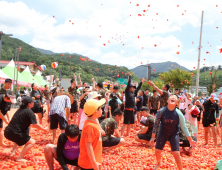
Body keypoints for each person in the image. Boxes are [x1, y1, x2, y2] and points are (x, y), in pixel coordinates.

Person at [149, 95, 196, 170]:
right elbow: (156, 124)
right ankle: (158, 163)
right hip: (162, 132)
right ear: (167, 101)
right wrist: (152, 137)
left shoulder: (179, 113)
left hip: (173, 134)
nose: (173, 98)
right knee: (157, 150)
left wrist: (190, 139)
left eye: (175, 98)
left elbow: (184, 127)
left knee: (176, 153)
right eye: (171, 97)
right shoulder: (161, 111)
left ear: (177, 103)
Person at [4, 96, 47, 162]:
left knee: (18, 138)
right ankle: (20, 158)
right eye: (32, 102)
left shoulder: (20, 109)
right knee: (32, 141)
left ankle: (12, 153)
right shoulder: (29, 112)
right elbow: (35, 125)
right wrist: (44, 129)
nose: (33, 103)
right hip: (14, 132)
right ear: (29, 104)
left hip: (7, 132)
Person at [78, 98, 106, 170]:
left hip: (92, 162)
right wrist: (93, 163)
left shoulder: (92, 123)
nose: (102, 110)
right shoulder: (90, 126)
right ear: (96, 112)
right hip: (89, 164)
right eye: (100, 108)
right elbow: (88, 145)